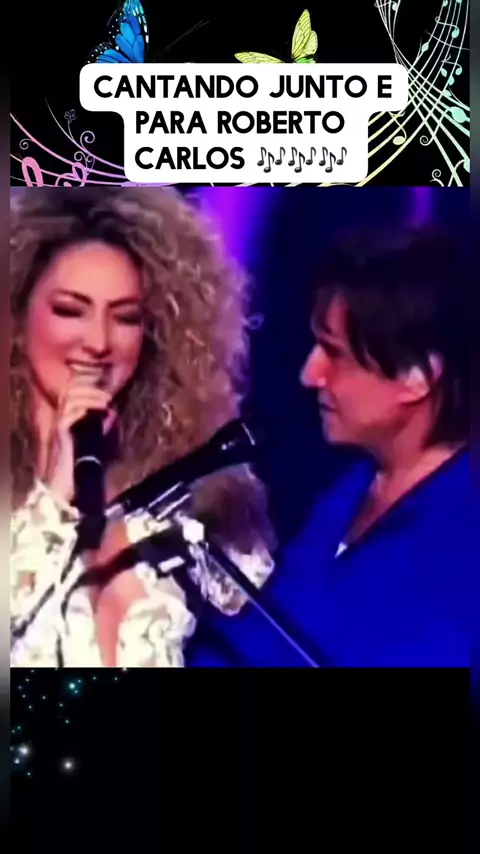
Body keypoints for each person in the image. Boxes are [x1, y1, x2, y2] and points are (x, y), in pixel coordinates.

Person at [10, 186, 276, 667]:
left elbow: (264, 633)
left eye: (126, 318)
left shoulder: (186, 495)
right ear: (15, 316)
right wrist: (57, 491)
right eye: (69, 310)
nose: (98, 342)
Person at [186, 225, 472, 668]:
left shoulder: (461, 542)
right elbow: (258, 641)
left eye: (333, 353)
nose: (310, 374)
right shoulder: (345, 489)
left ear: (418, 377)